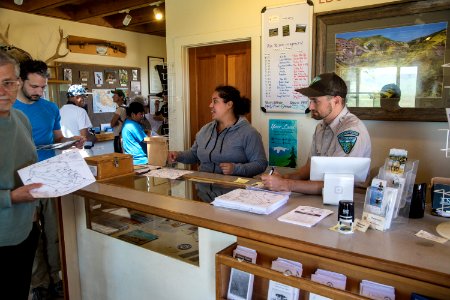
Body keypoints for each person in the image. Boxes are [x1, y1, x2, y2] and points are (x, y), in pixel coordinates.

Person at [13, 59, 84, 299]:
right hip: (21, 179)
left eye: (42, 88)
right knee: (29, 233)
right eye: (34, 87)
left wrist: (72, 141)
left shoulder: (51, 107)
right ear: (21, 81)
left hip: (51, 174)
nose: (39, 92)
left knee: (55, 231)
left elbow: (57, 138)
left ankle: (57, 277)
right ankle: (38, 282)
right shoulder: (8, 108)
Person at [261, 72, 371, 194]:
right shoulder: (321, 127)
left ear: (336, 101)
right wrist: (284, 178)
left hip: (342, 198)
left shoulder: (351, 131)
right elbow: (309, 168)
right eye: (310, 100)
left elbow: (336, 184)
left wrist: (285, 184)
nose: (311, 107)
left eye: (315, 101)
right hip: (319, 195)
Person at [0, 51, 43, 300]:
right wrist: (11, 197)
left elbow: (28, 167)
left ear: (18, 83)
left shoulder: (21, 118)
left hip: (26, 232)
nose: (3, 91)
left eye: (8, 83)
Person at [168, 85, 268, 178]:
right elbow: (194, 155)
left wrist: (236, 169)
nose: (210, 105)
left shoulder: (249, 133)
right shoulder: (205, 130)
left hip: (234, 193)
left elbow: (260, 164)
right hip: (204, 192)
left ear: (229, 104)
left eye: (215, 101)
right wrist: (178, 155)